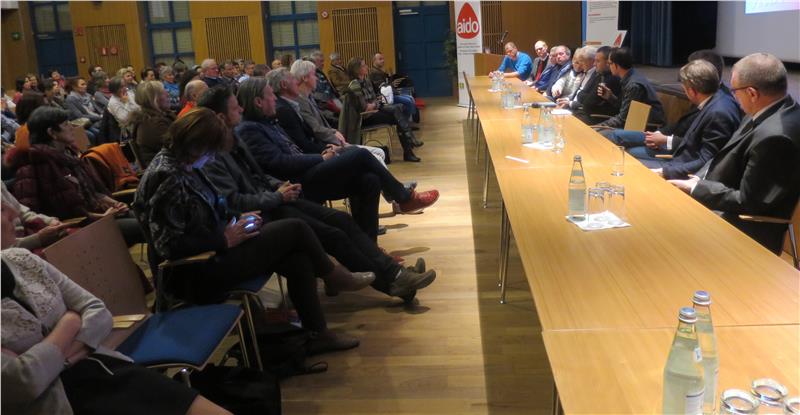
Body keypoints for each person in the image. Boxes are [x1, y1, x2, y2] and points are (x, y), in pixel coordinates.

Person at [133, 107, 369, 352]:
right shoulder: (166, 175)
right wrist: (224, 239)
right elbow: (168, 246)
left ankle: (318, 333)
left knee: (297, 259)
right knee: (295, 228)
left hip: (215, 251)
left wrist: (236, 220)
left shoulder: (184, 164)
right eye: (211, 151)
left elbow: (205, 212)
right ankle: (334, 276)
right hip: (196, 270)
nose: (212, 158)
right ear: (196, 145)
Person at [197, 86, 436, 302]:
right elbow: (243, 194)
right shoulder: (223, 148)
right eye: (234, 107)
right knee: (337, 226)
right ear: (220, 117)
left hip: (281, 195)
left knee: (355, 201)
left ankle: (392, 273)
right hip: (270, 208)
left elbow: (260, 175)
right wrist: (285, 188)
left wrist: (280, 186)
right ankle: (394, 273)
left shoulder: (237, 137)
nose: (240, 108)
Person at [0, 202, 231, 415]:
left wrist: (49, 361)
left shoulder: (22, 259)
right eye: (0, 209)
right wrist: (70, 322)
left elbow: (98, 312)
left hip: (104, 369)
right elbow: (21, 384)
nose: (12, 211)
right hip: (54, 405)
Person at [234, 77, 439, 240]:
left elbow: (295, 149)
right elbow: (281, 163)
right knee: (360, 154)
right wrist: (321, 158)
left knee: (369, 180)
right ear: (258, 102)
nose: (274, 99)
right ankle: (403, 197)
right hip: (296, 183)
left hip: (307, 169)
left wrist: (323, 152)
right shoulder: (250, 129)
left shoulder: (267, 122)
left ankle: (371, 249)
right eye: (270, 95)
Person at [668, 53, 800, 254]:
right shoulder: (769, 109)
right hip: (721, 199)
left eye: (734, 90)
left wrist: (697, 188)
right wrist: (698, 178)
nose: (732, 96)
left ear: (752, 93)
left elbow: (749, 202)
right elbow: (723, 154)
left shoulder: (776, 137)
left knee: (664, 233)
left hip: (745, 227)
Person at [11, 107, 144, 246]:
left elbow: (92, 192)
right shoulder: (31, 165)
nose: (72, 127)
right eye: (66, 124)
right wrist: (102, 217)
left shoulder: (68, 156)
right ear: (51, 132)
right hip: (75, 230)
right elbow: (34, 216)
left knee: (149, 218)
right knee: (143, 227)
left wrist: (114, 203)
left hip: (99, 217)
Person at [607, 59, 740, 179]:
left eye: (684, 89)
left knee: (628, 165)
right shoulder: (716, 98)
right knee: (625, 156)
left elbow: (707, 161)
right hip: (680, 158)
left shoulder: (718, 113)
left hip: (682, 168)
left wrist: (664, 172)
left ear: (692, 91)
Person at [340, 57, 422, 162]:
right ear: (357, 69)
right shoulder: (354, 85)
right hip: (364, 118)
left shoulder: (366, 81)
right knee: (398, 116)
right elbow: (365, 107)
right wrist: (375, 103)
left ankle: (409, 147)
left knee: (398, 111)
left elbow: (376, 99)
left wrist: (374, 103)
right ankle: (409, 146)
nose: (367, 67)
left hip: (374, 112)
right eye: (364, 65)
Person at [595, 47, 665, 129]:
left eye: (610, 63)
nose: (608, 66)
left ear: (617, 65)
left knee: (603, 133)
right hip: (636, 122)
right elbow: (626, 109)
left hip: (647, 127)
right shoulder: (631, 76)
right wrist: (610, 97)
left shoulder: (634, 85)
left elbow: (622, 119)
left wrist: (597, 127)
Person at [130, 81, 176, 169]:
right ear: (153, 100)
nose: (168, 94)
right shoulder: (152, 124)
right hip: (164, 170)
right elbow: (176, 147)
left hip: (169, 164)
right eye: (163, 92)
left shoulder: (160, 116)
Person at [572, 46, 622, 124]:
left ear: (607, 63)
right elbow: (583, 96)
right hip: (591, 114)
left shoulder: (610, 79)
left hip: (601, 119)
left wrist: (583, 97)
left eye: (598, 61)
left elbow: (588, 103)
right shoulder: (600, 75)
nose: (594, 64)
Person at [369, 52, 418, 125]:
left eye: (383, 59)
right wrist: (392, 86)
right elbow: (382, 87)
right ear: (374, 61)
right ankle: (404, 124)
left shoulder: (380, 71)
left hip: (390, 94)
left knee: (410, 98)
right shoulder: (374, 73)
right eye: (380, 59)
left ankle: (406, 123)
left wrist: (391, 81)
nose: (383, 61)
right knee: (408, 101)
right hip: (384, 97)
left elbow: (388, 84)